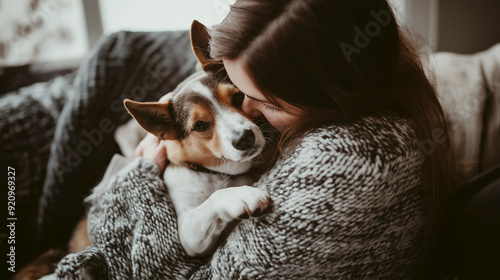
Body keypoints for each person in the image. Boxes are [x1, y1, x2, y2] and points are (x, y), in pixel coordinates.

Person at [4, 0, 455, 279]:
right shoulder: (353, 102)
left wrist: (139, 177)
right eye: (242, 94)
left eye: (262, 101)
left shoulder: (340, 172)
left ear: (331, 91)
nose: (247, 117)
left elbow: (160, 271)